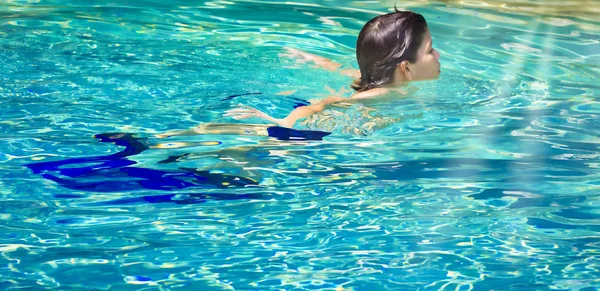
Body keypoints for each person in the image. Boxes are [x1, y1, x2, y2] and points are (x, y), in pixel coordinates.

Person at [159, 9, 440, 139]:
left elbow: (341, 70)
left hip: (312, 118)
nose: (438, 56)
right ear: (406, 68)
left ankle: (170, 137)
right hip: (313, 127)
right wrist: (283, 122)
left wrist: (314, 60)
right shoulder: (382, 94)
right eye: (430, 50)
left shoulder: (370, 79)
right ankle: (172, 138)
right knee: (258, 140)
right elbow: (326, 104)